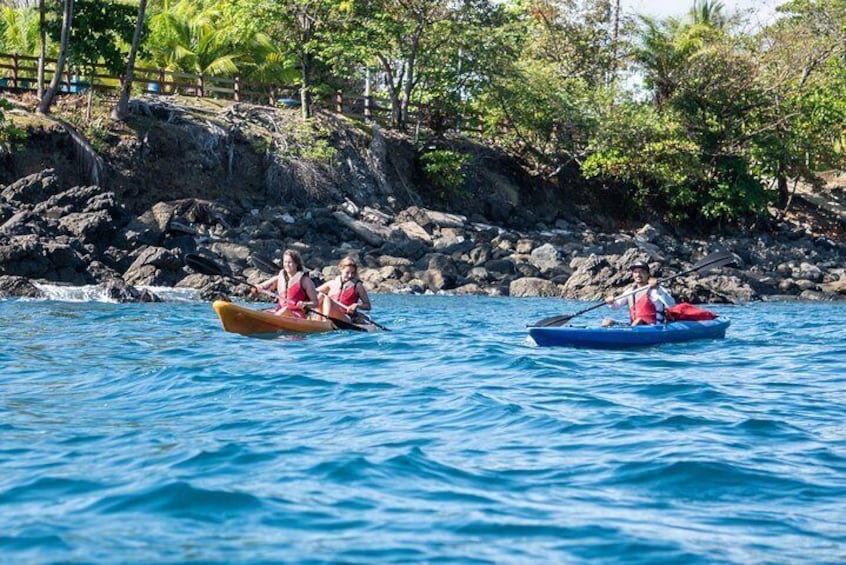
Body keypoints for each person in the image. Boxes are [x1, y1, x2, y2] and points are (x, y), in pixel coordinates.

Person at [603, 260, 675, 326]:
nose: (638, 274)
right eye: (635, 272)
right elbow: (616, 306)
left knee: (638, 321)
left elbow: (671, 305)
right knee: (607, 322)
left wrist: (658, 289)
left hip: (654, 327)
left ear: (648, 274)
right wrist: (610, 302)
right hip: (634, 327)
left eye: (641, 272)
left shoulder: (655, 290)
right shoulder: (630, 291)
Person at [255, 249, 318, 318]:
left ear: (296, 264)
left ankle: (270, 320)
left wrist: (305, 304)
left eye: (290, 262)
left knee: (285, 310)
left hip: (297, 315)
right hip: (279, 312)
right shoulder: (280, 277)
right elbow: (262, 286)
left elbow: (315, 303)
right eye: (285, 262)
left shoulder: (305, 280)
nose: (287, 265)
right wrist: (258, 288)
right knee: (264, 312)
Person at [316, 257, 371, 324]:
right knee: (321, 295)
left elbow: (368, 306)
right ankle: (315, 318)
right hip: (326, 314)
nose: (350, 275)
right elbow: (313, 293)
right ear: (341, 269)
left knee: (327, 298)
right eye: (347, 272)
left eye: (353, 273)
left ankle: (325, 322)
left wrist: (357, 305)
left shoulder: (358, 286)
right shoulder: (331, 283)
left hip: (345, 317)